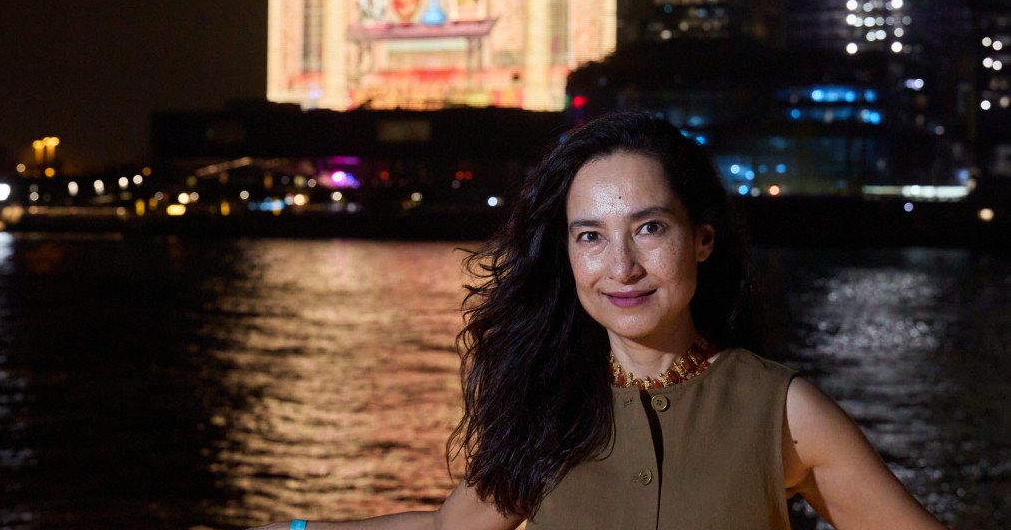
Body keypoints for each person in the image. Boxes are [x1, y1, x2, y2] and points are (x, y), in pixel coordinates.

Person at [249, 111, 946, 530]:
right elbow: (447, 528)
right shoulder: (547, 405)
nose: (621, 266)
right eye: (590, 236)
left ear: (701, 239)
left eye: (648, 228)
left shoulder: (782, 411)